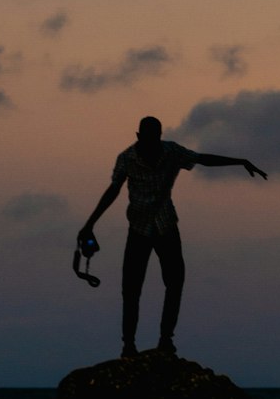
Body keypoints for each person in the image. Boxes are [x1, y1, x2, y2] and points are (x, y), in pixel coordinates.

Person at [77, 115, 267, 358]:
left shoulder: (172, 152)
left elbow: (201, 159)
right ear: (138, 137)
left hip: (166, 226)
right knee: (131, 289)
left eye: (154, 137)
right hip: (139, 229)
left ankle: (166, 340)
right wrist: (89, 224)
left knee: (175, 283)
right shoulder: (126, 158)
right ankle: (128, 345)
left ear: (159, 136)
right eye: (146, 138)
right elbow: (113, 190)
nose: (150, 142)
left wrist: (240, 161)